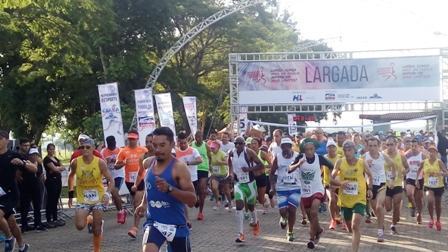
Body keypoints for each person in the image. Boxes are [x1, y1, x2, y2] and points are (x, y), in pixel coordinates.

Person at [135, 127, 196, 252]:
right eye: (155, 145)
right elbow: (149, 185)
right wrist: (143, 203)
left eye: (162, 145)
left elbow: (192, 200)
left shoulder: (179, 168)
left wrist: (170, 189)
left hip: (176, 225)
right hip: (154, 223)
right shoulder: (148, 163)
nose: (158, 150)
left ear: (172, 144)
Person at [68, 137, 113, 252]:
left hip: (98, 198)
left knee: (96, 230)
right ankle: (90, 219)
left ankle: (96, 250)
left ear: (93, 148)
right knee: (79, 226)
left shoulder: (99, 162)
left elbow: (110, 180)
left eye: (88, 147)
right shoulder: (75, 162)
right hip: (83, 199)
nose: (85, 149)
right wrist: (70, 195)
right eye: (82, 147)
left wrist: (107, 194)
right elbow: (71, 176)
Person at [289, 138, 334, 248]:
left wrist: (332, 178)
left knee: (314, 212)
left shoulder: (319, 158)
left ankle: (311, 239)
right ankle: (318, 231)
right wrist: (298, 164)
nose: (309, 152)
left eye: (311, 149)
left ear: (314, 149)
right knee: (311, 218)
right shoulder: (300, 158)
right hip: (305, 191)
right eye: (307, 149)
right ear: (303, 150)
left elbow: (332, 166)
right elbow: (289, 169)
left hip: (317, 189)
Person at [331, 140, 373, 252]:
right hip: (345, 199)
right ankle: (356, 235)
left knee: (355, 225)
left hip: (359, 197)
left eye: (349, 150)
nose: (347, 152)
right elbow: (331, 178)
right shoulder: (339, 162)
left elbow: (369, 175)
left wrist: (370, 189)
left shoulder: (361, 162)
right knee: (350, 227)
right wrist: (340, 183)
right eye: (345, 150)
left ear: (354, 150)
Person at [228, 136, 263, 243]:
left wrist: (249, 169)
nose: (238, 145)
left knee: (251, 206)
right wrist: (230, 174)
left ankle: (256, 222)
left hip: (250, 184)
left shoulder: (249, 152)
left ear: (244, 144)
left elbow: (261, 165)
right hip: (238, 184)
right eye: (236, 143)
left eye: (240, 143)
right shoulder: (231, 152)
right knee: (239, 206)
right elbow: (229, 164)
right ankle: (240, 234)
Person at [0, 130, 30, 252]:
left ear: (7, 140)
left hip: (10, 194)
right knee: (11, 223)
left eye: (0, 138)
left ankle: (9, 238)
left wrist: (22, 163)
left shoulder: (13, 155)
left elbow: (33, 168)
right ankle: (22, 246)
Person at [115, 130, 148, 238]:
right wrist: (123, 163)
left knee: (138, 201)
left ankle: (135, 227)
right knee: (136, 204)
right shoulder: (123, 151)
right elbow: (116, 165)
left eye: (133, 139)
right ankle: (140, 216)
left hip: (142, 178)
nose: (131, 141)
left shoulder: (143, 150)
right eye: (129, 139)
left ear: (137, 139)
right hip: (129, 181)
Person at [364, 137, 395, 242]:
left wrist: (391, 179)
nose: (372, 148)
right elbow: (358, 170)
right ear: (367, 146)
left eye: (375, 146)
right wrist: (365, 166)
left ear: (379, 146)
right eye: (370, 146)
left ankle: (380, 232)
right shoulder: (364, 157)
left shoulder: (382, 156)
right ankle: (381, 223)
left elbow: (393, 165)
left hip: (382, 184)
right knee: (375, 209)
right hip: (370, 186)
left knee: (379, 206)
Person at [269, 137, 300, 242]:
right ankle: (283, 217)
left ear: (291, 146)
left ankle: (290, 231)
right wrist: (272, 187)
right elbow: (272, 173)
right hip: (281, 187)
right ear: (281, 147)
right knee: (283, 211)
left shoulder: (297, 156)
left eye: (288, 146)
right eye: (283, 146)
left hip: (295, 187)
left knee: (292, 210)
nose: (286, 148)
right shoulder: (278, 157)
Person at [416, 144, 447, 231]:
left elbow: (446, 172)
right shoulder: (424, 162)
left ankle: (438, 220)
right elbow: (419, 170)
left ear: (436, 153)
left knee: (438, 204)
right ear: (427, 153)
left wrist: (441, 173)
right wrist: (416, 180)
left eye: (433, 151)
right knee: (430, 200)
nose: (431, 153)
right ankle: (431, 219)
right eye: (429, 151)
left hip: (439, 186)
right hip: (428, 185)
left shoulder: (439, 162)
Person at [175, 131, 203, 227]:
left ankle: (196, 200)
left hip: (193, 178)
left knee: (192, 201)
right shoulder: (176, 152)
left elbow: (200, 160)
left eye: (184, 143)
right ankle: (187, 220)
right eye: (180, 143)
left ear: (187, 141)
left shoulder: (193, 150)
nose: (182, 145)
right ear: (178, 142)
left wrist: (188, 163)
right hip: (181, 179)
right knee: (182, 201)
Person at [384, 136, 409, 235]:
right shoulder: (383, 155)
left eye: (392, 144)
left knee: (396, 205)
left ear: (396, 145)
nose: (390, 147)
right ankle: (396, 213)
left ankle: (393, 225)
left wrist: (404, 172)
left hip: (398, 183)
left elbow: (407, 168)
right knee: (388, 208)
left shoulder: (401, 156)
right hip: (386, 184)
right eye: (388, 144)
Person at [19, 147, 46, 232]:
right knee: (25, 206)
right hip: (26, 186)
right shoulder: (26, 163)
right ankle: (24, 225)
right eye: (32, 154)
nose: (34, 156)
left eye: (36, 154)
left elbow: (40, 173)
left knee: (37, 205)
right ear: (29, 155)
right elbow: (19, 174)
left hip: (37, 186)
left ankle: (38, 224)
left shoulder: (39, 163)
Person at [101, 136, 126, 224]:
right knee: (114, 195)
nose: (112, 145)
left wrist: (117, 162)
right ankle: (122, 211)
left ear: (115, 142)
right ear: (107, 144)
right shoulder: (104, 151)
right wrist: (107, 161)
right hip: (109, 176)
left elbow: (124, 162)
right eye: (110, 144)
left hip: (119, 175)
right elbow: (102, 164)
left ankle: (121, 212)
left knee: (114, 192)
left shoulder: (119, 150)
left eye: (113, 143)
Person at [43, 143, 66, 228]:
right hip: (51, 181)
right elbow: (55, 169)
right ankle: (49, 219)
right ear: (47, 150)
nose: (52, 150)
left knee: (56, 200)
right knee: (50, 200)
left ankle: (55, 218)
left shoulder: (55, 158)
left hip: (57, 180)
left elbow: (62, 167)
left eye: (53, 149)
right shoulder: (46, 160)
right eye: (50, 149)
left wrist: (57, 169)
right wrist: (57, 169)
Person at [191, 131, 211, 221]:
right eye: (196, 137)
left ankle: (200, 212)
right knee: (195, 189)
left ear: (202, 137)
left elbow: (210, 156)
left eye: (200, 137)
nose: (198, 138)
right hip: (194, 169)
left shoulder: (206, 145)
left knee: (202, 189)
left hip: (203, 169)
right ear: (194, 137)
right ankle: (197, 199)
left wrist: (209, 166)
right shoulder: (191, 145)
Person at [405, 138, 425, 224]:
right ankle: (413, 207)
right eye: (412, 146)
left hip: (420, 178)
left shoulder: (422, 155)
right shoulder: (407, 155)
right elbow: (402, 164)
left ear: (418, 146)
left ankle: (419, 214)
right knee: (409, 194)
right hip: (410, 177)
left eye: (415, 146)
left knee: (419, 199)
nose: (413, 147)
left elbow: (427, 165)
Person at [250, 137, 272, 213]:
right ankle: (251, 211)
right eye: (252, 144)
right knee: (251, 196)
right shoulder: (248, 153)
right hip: (252, 177)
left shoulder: (262, 153)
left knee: (260, 199)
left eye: (255, 143)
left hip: (261, 176)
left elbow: (270, 164)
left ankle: (265, 199)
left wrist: (263, 167)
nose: (253, 145)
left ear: (259, 145)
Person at [209, 140, 232, 210]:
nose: (212, 149)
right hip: (215, 175)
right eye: (211, 148)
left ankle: (230, 203)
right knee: (214, 187)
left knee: (227, 191)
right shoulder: (211, 154)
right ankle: (217, 201)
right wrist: (210, 169)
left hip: (223, 175)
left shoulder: (222, 154)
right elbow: (210, 162)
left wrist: (220, 162)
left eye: (213, 148)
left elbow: (227, 162)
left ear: (218, 148)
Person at [324, 139, 341, 230]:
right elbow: (319, 170)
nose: (331, 149)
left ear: (336, 148)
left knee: (339, 202)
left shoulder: (340, 158)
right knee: (332, 200)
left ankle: (338, 216)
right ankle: (333, 220)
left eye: (333, 147)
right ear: (327, 149)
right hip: (328, 183)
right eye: (329, 147)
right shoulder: (324, 158)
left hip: (338, 183)